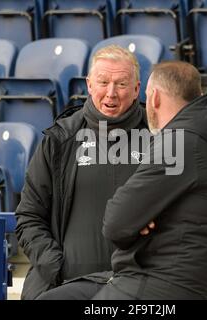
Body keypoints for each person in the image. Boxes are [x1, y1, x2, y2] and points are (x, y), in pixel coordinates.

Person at [37, 61, 207, 300]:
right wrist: (140, 218)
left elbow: (115, 222)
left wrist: (138, 220)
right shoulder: (202, 140)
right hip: (148, 280)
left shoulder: (179, 143)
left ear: (153, 97)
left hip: (155, 288)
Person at [15, 45, 148, 300]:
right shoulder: (60, 139)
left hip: (136, 292)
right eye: (103, 82)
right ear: (89, 84)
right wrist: (56, 267)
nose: (111, 93)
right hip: (64, 288)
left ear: (136, 89)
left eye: (121, 84)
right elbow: (29, 216)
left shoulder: (159, 140)